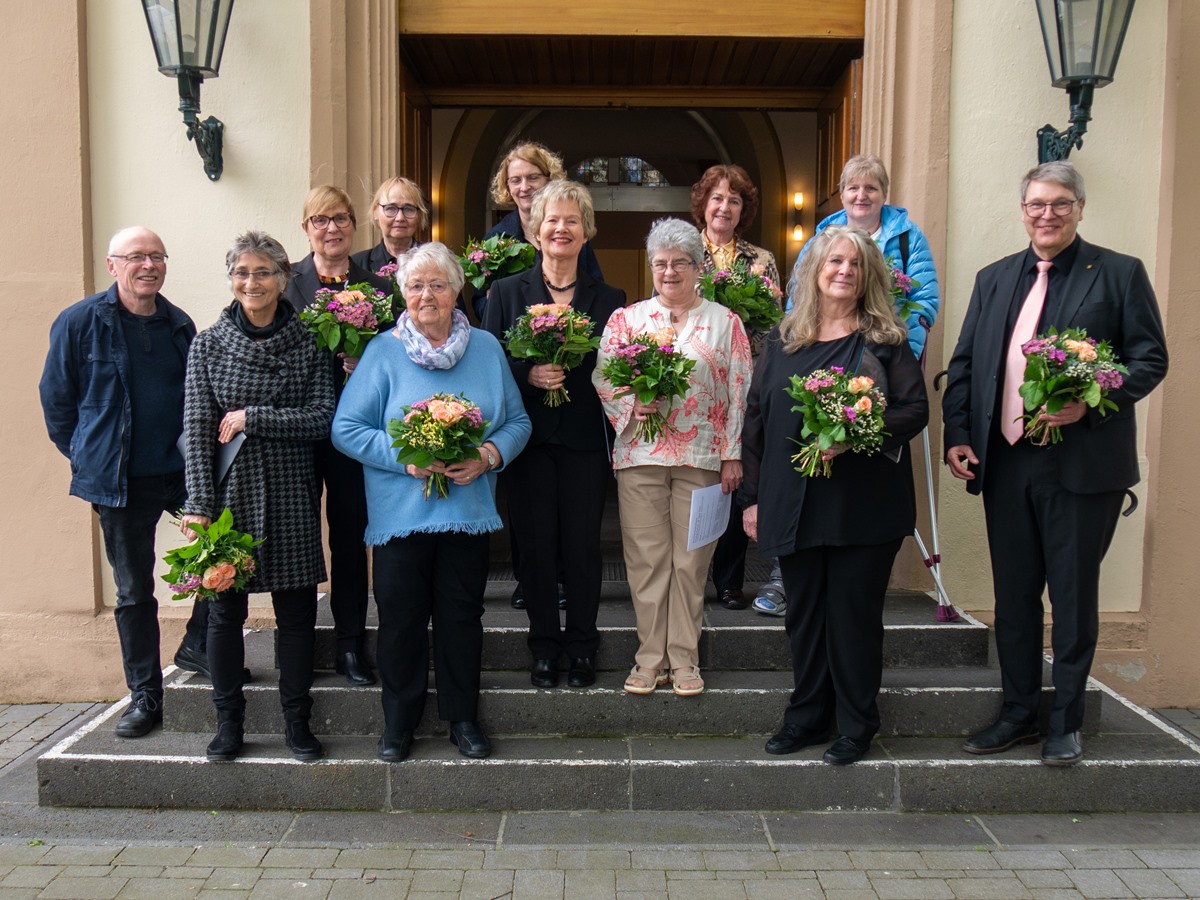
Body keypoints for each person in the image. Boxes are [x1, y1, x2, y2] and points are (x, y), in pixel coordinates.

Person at [943, 161, 1168, 767]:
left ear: (1079, 208)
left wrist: (1089, 404)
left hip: (1082, 466)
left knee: (1071, 597)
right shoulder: (994, 279)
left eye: (1060, 204)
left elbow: (1149, 359)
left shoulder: (1118, 274)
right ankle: (1017, 713)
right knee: (1014, 599)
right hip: (1007, 464)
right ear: (1023, 211)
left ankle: (1065, 722)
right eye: (1037, 204)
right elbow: (965, 364)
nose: (1048, 214)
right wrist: (958, 435)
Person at [332, 243, 531, 762]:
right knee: (399, 622)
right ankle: (399, 723)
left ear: (456, 291)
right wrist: (406, 457)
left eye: (438, 285)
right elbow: (346, 429)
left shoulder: (486, 349)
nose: (427, 296)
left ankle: (463, 718)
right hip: (401, 517)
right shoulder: (382, 351)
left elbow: (517, 422)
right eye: (416, 286)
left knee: (461, 618)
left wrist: (488, 456)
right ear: (403, 293)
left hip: (466, 513)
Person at [741, 226, 929, 765]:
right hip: (792, 500)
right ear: (815, 271)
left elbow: (913, 410)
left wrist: (853, 436)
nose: (844, 270)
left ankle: (856, 724)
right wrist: (752, 499)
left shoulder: (885, 341)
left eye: (855, 264)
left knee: (851, 616)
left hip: (862, 505)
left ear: (867, 276)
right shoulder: (782, 340)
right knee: (803, 615)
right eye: (834, 262)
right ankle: (806, 717)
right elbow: (756, 418)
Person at [39, 226, 210, 739]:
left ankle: (198, 644)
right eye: (137, 257)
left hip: (180, 473)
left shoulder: (180, 325)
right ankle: (145, 694)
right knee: (134, 590)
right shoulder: (79, 322)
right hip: (119, 482)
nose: (149, 265)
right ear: (113, 266)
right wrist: (88, 455)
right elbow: (57, 402)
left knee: (228, 553)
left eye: (157, 256)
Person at [180, 231, 335, 763]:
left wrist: (254, 417)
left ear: (284, 278)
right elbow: (198, 427)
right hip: (229, 499)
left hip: (291, 492)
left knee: (296, 618)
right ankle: (229, 725)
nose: (253, 282)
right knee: (225, 618)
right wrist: (198, 504)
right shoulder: (208, 343)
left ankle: (297, 723)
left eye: (264, 272)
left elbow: (324, 418)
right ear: (232, 280)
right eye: (242, 273)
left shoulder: (311, 341)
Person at [593, 218, 752, 698]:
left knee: (691, 561)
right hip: (640, 451)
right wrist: (628, 401)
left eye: (679, 263)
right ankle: (649, 658)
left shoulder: (726, 322)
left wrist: (732, 455)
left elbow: (740, 388)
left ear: (698, 265)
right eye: (660, 263)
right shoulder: (627, 320)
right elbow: (603, 376)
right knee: (646, 559)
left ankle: (683, 658)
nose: (668, 272)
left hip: (703, 455)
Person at [483, 181, 626, 689]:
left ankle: (583, 647)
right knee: (536, 547)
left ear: (586, 232)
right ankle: (543, 646)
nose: (561, 229)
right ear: (536, 232)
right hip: (528, 442)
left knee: (584, 548)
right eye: (551, 221)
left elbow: (619, 369)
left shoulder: (611, 299)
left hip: (586, 440)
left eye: (571, 221)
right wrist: (529, 376)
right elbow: (491, 364)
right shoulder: (505, 292)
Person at [285, 185, 392, 687]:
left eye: (342, 219)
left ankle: (351, 644)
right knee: (299, 538)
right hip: (299, 433)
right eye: (320, 220)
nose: (332, 228)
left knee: (351, 539)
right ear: (305, 228)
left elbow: (398, 358)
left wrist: (363, 360)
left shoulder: (379, 288)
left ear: (355, 225)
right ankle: (299, 643)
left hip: (355, 434)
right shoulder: (285, 284)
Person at [690, 163, 783, 611]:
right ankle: (689, 574)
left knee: (735, 479)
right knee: (695, 480)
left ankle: (729, 579)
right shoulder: (684, 253)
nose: (724, 207)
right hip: (696, 388)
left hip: (746, 385)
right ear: (703, 204)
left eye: (734, 200)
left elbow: (773, 327)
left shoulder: (761, 260)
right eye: (717, 198)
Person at [798, 154, 940, 359]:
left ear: (884, 194)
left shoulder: (908, 237)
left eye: (871, 188)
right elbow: (799, 295)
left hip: (887, 348)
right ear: (842, 195)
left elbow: (924, 301)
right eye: (853, 188)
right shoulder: (821, 238)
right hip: (828, 350)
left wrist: (904, 359)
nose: (861, 195)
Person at [479, 141, 604, 319]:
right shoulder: (496, 238)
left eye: (533, 177)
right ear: (507, 186)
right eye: (516, 180)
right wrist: (498, 303)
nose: (524, 187)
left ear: (549, 179)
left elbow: (594, 288)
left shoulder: (573, 235)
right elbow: (479, 301)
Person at [350, 176, 428, 275]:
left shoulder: (436, 261)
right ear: (375, 213)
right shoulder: (357, 265)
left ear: (419, 215)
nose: (400, 218)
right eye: (391, 208)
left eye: (409, 209)